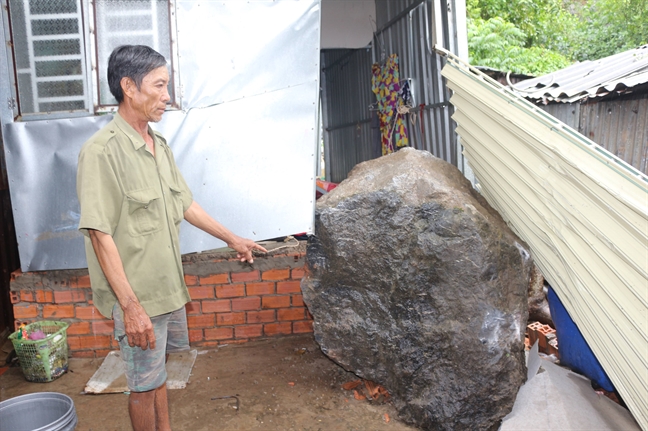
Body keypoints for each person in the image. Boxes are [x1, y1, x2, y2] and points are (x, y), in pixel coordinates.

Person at [76, 45, 267, 431]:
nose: (168, 96)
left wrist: (234, 239)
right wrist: (130, 308)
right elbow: (99, 234)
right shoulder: (102, 152)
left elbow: (185, 204)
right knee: (142, 387)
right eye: (159, 86)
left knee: (157, 374)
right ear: (129, 87)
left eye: (168, 86)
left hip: (166, 288)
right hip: (138, 297)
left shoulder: (158, 145)